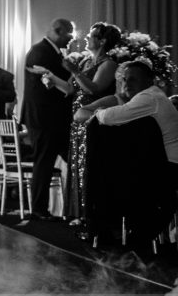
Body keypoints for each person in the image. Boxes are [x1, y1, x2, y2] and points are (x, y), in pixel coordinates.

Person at [75, 61, 178, 246]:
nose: (127, 84)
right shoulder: (151, 97)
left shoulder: (149, 97)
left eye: (133, 80)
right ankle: (129, 237)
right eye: (124, 79)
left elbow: (109, 117)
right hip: (160, 166)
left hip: (169, 169)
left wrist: (97, 112)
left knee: (115, 179)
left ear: (149, 81)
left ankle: (121, 236)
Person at [46, 22, 120, 224]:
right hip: (76, 121)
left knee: (90, 165)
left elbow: (94, 89)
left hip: (93, 121)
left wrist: (75, 72)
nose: (87, 37)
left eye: (92, 34)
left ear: (102, 40)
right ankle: (78, 213)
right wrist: (52, 78)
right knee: (77, 165)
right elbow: (70, 89)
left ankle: (91, 214)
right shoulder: (86, 61)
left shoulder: (109, 64)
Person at [21, 18, 75, 221]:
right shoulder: (40, 52)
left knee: (73, 159)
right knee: (43, 163)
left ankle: (76, 207)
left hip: (54, 121)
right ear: (57, 31)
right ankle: (38, 209)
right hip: (44, 119)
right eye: (69, 34)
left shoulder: (51, 52)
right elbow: (47, 86)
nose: (71, 39)